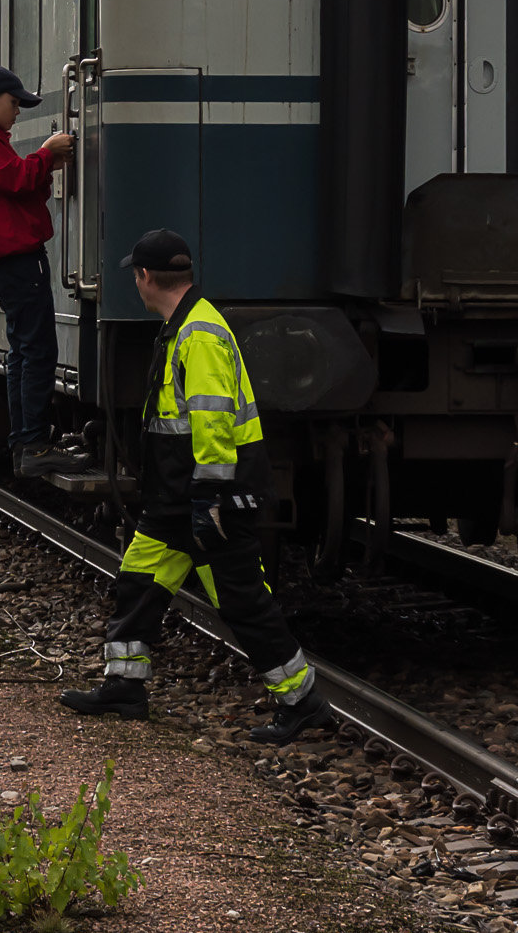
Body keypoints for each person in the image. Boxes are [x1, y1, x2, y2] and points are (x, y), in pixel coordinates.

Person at [59, 229, 332, 742]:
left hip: (210, 498)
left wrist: (209, 497)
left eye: (135, 275)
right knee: (138, 580)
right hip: (178, 498)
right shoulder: (184, 325)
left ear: (145, 276)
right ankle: (124, 685)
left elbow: (213, 422)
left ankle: (302, 702)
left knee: (241, 601)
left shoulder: (199, 334)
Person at [0, 64, 76, 477]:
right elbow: (14, 178)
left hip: (8, 261)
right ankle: (34, 444)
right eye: (13, 102)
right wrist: (47, 152)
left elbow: (17, 189)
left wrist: (46, 165)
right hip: (18, 260)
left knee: (23, 351)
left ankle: (26, 441)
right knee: (37, 350)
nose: (18, 111)